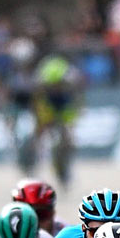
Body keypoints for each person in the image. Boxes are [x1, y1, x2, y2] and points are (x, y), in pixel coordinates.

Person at [33, 55, 82, 187]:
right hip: (49, 105)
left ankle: (66, 162)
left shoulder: (69, 84)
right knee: (43, 131)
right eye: (52, 85)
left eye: (58, 85)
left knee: (69, 138)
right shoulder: (42, 87)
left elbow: (76, 103)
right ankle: (38, 158)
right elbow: (39, 107)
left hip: (64, 104)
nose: (55, 87)